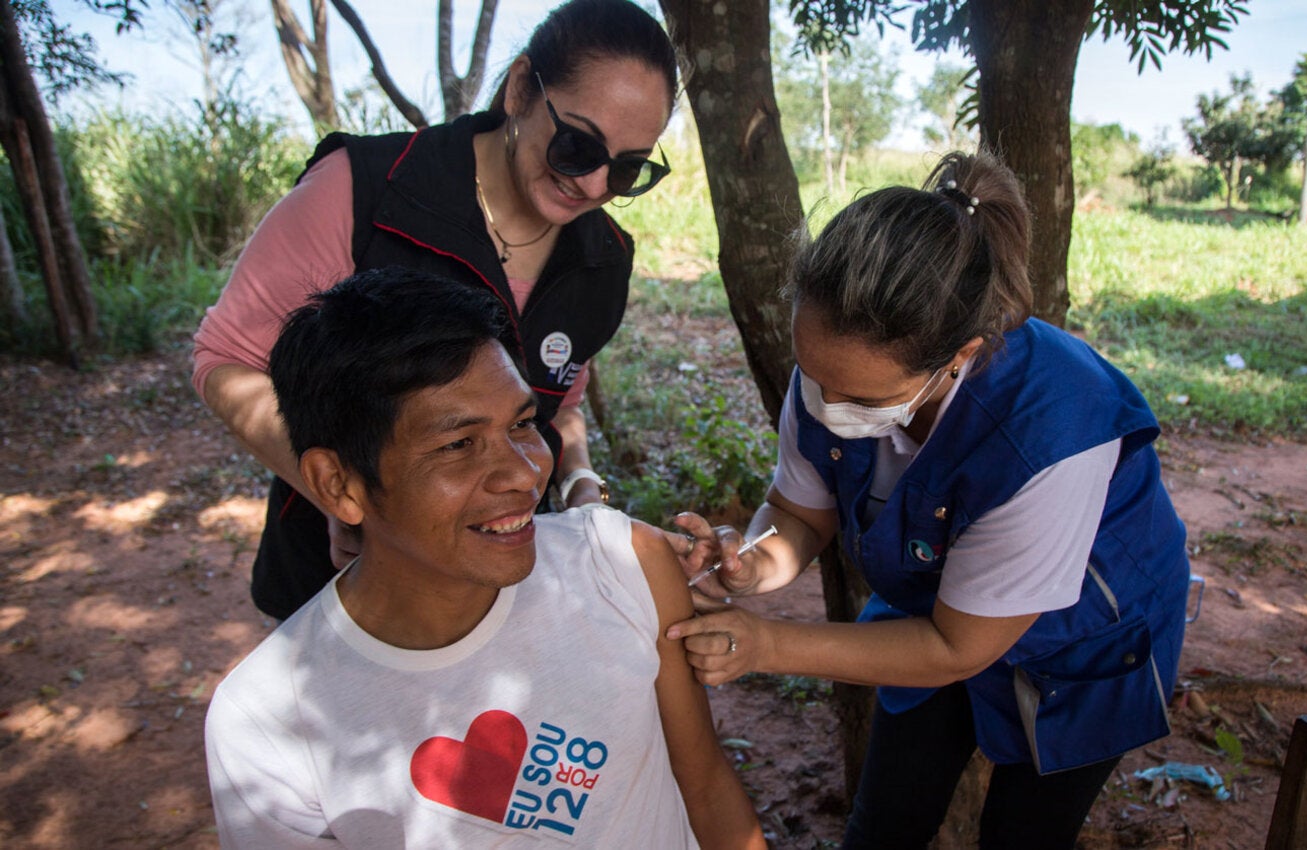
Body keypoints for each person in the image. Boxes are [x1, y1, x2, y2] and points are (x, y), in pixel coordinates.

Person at [667, 151, 1191, 849]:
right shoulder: (830, 372)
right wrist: (752, 562)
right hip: (931, 610)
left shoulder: (1052, 432)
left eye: (861, 397)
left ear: (959, 357)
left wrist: (766, 643)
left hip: (1083, 636)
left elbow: (953, 646)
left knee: (1024, 836)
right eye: (815, 377)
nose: (827, 406)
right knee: (885, 822)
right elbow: (799, 514)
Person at [203, 267, 765, 849]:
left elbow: (704, 784)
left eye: (523, 423)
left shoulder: (620, 565)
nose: (526, 474)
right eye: (458, 445)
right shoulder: (266, 724)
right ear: (339, 484)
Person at [191, 0, 677, 620]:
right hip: (340, 589)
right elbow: (226, 359)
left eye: (629, 169)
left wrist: (580, 484)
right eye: (577, 146)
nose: (594, 187)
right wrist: (351, 500)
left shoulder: (603, 256)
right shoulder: (367, 190)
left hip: (505, 588)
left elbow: (562, 400)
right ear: (521, 87)